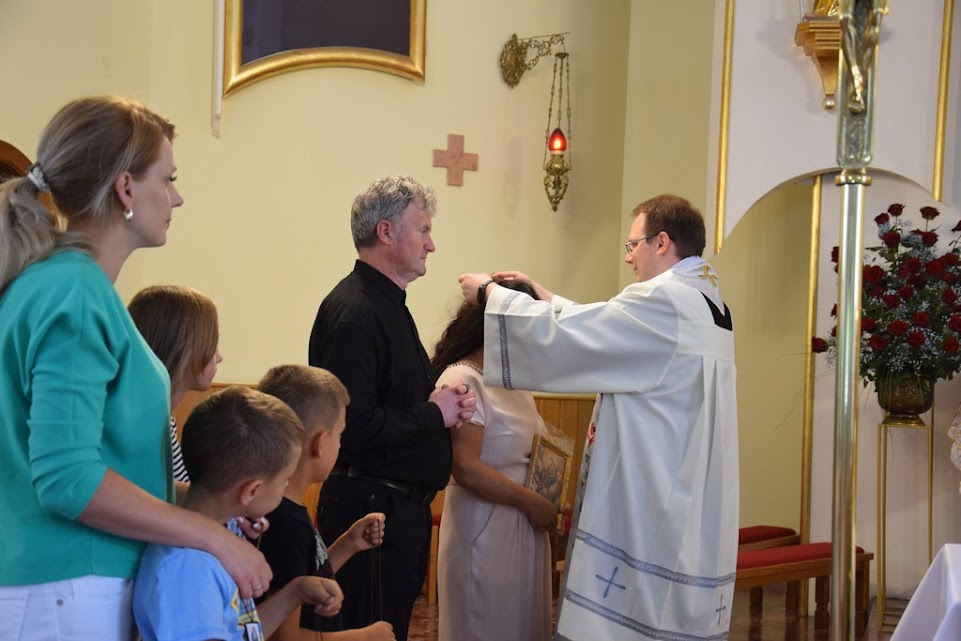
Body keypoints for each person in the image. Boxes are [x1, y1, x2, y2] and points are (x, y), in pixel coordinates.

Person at [0, 96, 269, 640]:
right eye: (168, 179)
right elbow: (67, 479)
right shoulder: (74, 291)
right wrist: (210, 536)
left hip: (67, 581)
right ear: (126, 188)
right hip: (66, 585)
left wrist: (208, 510)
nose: (177, 197)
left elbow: (104, 466)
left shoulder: (67, 285)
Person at [458, 194, 740, 641]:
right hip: (685, 488)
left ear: (662, 242)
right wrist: (542, 294)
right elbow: (605, 328)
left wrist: (490, 295)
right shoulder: (707, 303)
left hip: (649, 496)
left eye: (633, 245)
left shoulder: (665, 299)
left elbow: (587, 334)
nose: (629, 258)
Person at [307, 174, 476, 641]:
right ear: (386, 232)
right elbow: (354, 423)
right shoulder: (356, 312)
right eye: (423, 230)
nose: (431, 244)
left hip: (394, 510)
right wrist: (434, 415)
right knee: (370, 632)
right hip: (370, 510)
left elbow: (394, 402)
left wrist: (442, 406)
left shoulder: (387, 305)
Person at [133, 386, 343, 641]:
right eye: (285, 479)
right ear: (252, 490)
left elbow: (242, 634)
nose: (286, 485)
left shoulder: (223, 537)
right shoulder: (187, 567)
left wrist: (294, 593)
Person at [431, 280, 559, 641]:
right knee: (486, 625)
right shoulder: (462, 378)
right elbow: (466, 468)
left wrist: (549, 492)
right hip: (484, 527)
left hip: (524, 525)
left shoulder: (511, 381)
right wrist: (532, 502)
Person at [256, 364, 395, 641]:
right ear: (319, 443)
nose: (340, 445)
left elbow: (303, 579)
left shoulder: (283, 511)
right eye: (340, 435)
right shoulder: (285, 524)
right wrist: (366, 637)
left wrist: (348, 544)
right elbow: (284, 638)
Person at [128, 284, 224, 484]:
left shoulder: (160, 419)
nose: (219, 357)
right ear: (184, 350)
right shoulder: (143, 427)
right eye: (213, 344)